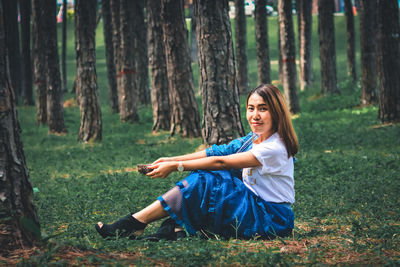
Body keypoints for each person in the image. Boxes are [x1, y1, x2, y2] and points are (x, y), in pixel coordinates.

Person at [95, 84, 299, 240]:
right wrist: (170, 159)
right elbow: (214, 152)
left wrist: (177, 167)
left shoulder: (274, 147)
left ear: (276, 112)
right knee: (211, 177)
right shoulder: (252, 139)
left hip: (270, 218)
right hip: (254, 206)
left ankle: (137, 222)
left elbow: (220, 162)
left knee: (209, 177)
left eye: (262, 109)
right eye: (251, 108)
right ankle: (173, 228)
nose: (255, 115)